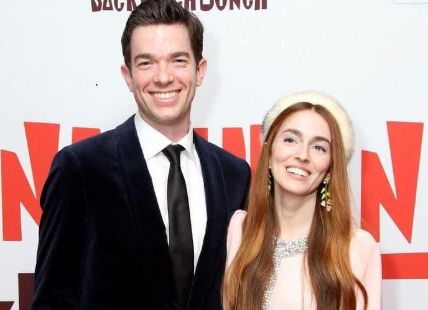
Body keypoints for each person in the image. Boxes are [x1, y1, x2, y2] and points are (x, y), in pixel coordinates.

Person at [32, 1, 250, 309]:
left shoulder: (234, 174)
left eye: (178, 60)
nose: (163, 77)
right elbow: (52, 300)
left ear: (199, 70)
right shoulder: (81, 168)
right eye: (146, 63)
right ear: (128, 75)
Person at [223, 91, 381, 310]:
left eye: (319, 147)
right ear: (269, 150)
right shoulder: (239, 228)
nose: (302, 155)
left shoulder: (358, 246)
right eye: (290, 139)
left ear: (331, 166)